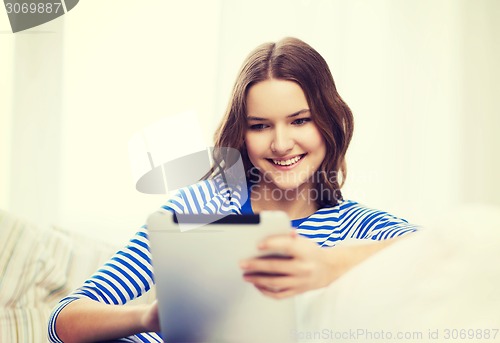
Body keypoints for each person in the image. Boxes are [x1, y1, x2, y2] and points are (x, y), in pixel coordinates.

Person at [48, 37, 419, 342]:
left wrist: (327, 264)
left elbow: (449, 247)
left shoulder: (356, 227)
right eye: (260, 126)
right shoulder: (198, 208)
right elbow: (62, 322)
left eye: (299, 120)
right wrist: (149, 317)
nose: (281, 143)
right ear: (241, 134)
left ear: (328, 122)